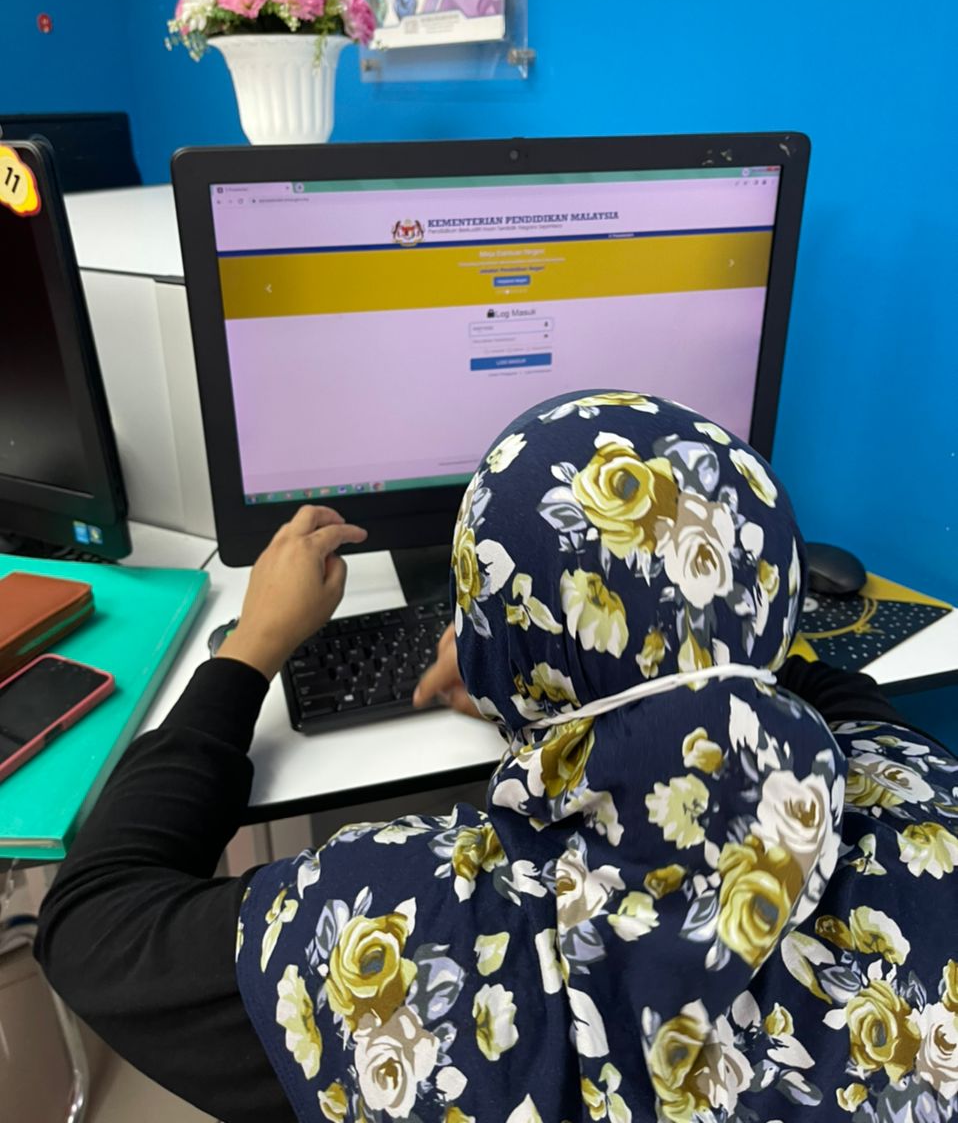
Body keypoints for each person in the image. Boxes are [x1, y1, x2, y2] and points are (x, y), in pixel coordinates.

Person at [35, 392, 958, 1123]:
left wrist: (247, 654)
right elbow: (801, 682)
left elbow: (92, 927)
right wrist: (623, 669)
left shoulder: (413, 931)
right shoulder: (920, 788)